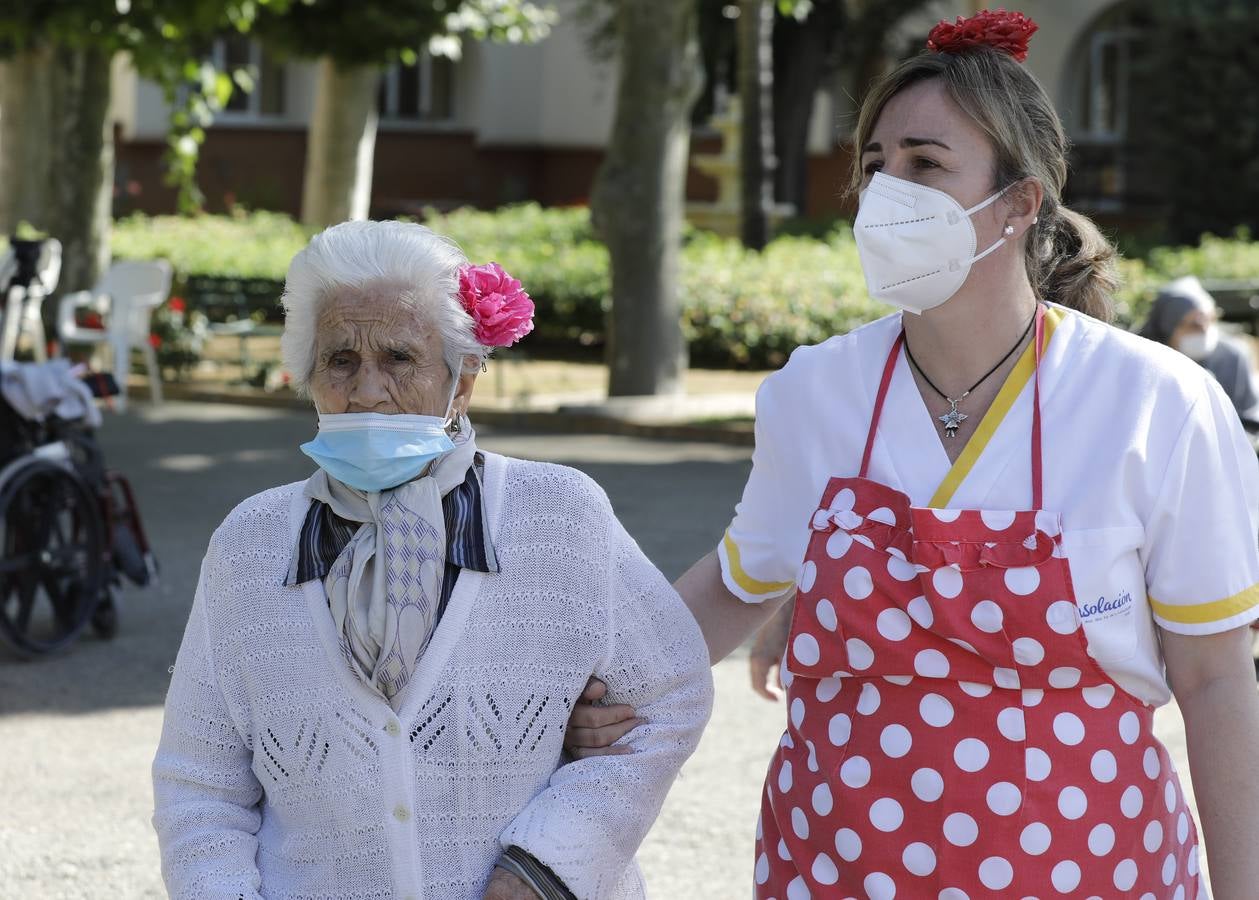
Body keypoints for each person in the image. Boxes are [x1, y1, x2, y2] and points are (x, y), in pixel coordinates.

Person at [566, 9, 1259, 897]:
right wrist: (593, 686)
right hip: (837, 867)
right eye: (875, 165)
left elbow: (1212, 679)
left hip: (1091, 870)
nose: (888, 190)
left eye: (926, 163)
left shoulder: (1153, 402)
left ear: (1017, 204)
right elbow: (740, 583)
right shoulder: (817, 391)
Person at [151, 220, 713, 900]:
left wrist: (544, 867)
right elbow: (199, 784)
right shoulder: (251, 543)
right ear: (307, 376)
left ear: (462, 381)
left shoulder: (557, 516)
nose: (365, 390)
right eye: (340, 360)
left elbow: (668, 697)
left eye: (398, 358)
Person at [1141, 274, 1259, 436]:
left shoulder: (1232, 356)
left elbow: (1249, 418)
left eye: (1209, 320)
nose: (1204, 330)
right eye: (1194, 325)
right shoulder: (1145, 358)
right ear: (1168, 326)